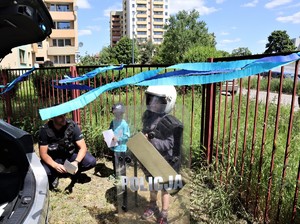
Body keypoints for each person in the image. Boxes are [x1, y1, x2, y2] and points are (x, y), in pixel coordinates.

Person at [141, 85, 183, 224]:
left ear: (167, 102)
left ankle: (164, 213)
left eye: (157, 101)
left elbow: (169, 144)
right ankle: (152, 205)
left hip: (165, 160)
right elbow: (144, 132)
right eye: (151, 99)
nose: (153, 103)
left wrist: (151, 141)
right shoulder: (148, 116)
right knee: (153, 184)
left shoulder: (170, 122)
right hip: (151, 158)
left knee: (165, 188)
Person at [38, 113, 96, 192]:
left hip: (70, 156)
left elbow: (83, 147)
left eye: (64, 115)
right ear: (53, 118)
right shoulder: (45, 130)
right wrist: (55, 166)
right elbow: (43, 154)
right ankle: (56, 176)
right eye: (60, 116)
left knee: (91, 161)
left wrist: (76, 162)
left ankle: (72, 173)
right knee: (43, 172)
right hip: (54, 159)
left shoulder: (72, 126)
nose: (63, 118)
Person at [109, 102, 130, 178]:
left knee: (121, 162)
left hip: (121, 147)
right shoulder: (113, 122)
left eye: (119, 114)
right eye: (115, 114)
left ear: (122, 113)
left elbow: (127, 136)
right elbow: (110, 131)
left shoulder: (124, 124)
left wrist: (118, 139)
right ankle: (116, 174)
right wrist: (107, 137)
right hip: (114, 146)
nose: (117, 115)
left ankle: (122, 176)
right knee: (114, 161)